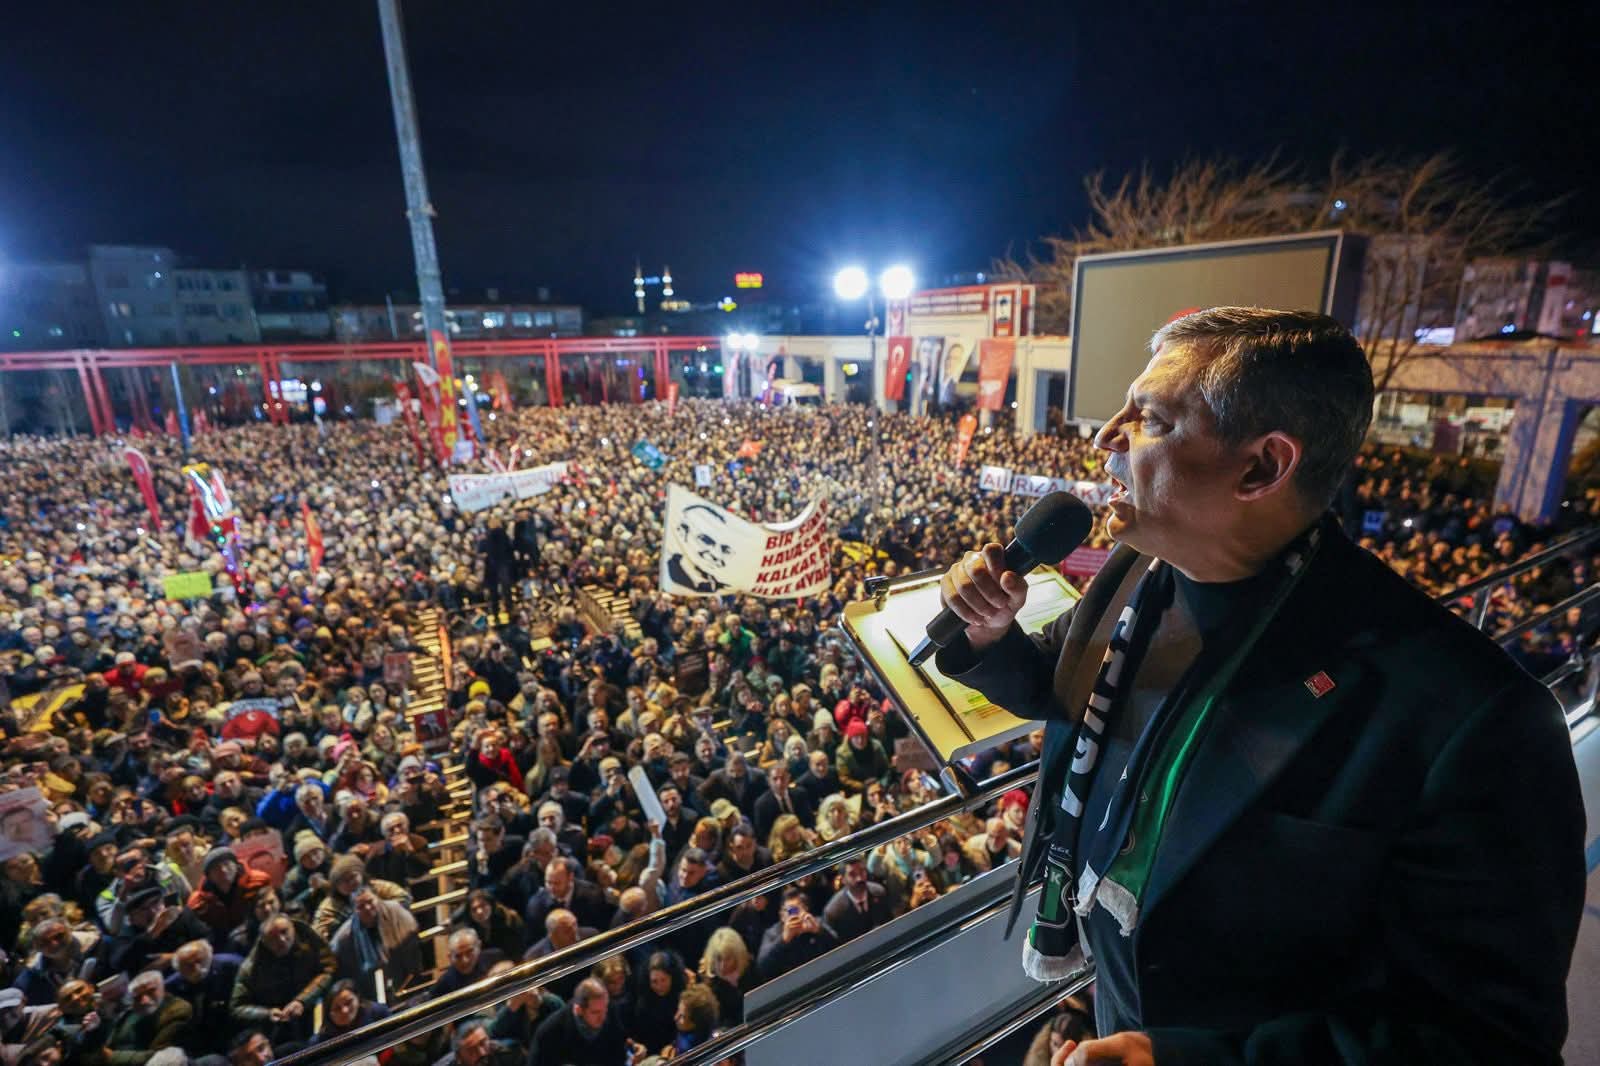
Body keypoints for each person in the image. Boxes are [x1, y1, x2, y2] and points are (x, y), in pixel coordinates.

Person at [932, 308, 1585, 1062]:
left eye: (1147, 418)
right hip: (1117, 997)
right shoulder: (1137, 577)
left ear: (1262, 467)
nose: (1106, 438)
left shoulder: (1473, 720)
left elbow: (1488, 1040)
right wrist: (987, 634)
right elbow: (1061, 685)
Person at [531, 977, 633, 1066]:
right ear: (578, 1010)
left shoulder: (610, 1012)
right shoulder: (549, 1033)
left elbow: (619, 1057)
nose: (603, 1017)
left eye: (605, 1009)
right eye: (595, 1012)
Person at [821, 856, 891, 943]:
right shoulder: (833, 911)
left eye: (862, 871)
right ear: (842, 879)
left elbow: (888, 921)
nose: (859, 878)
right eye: (852, 874)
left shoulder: (879, 891)